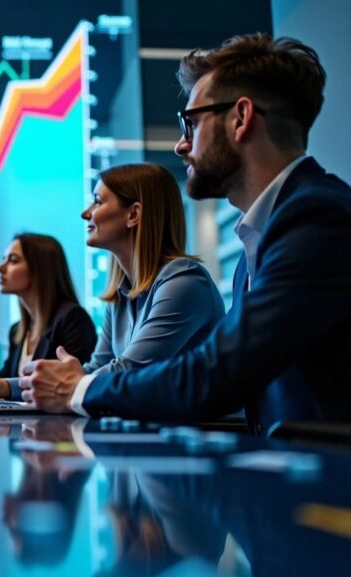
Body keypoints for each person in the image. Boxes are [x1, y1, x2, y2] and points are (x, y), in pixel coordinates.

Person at [19, 34, 351, 433]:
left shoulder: (316, 218)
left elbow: (214, 374)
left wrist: (79, 390)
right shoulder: (263, 236)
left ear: (241, 119)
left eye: (191, 123)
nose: (180, 145)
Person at [79, 162, 223, 376]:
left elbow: (128, 371)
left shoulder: (185, 281)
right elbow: (96, 370)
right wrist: (10, 387)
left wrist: (63, 383)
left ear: (133, 215)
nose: (85, 213)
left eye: (97, 202)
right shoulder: (121, 295)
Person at [0, 233, 96, 401]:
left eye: (13, 260)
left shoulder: (73, 319)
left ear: (40, 269)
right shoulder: (17, 331)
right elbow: (0, 386)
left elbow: (73, 385)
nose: (0, 267)